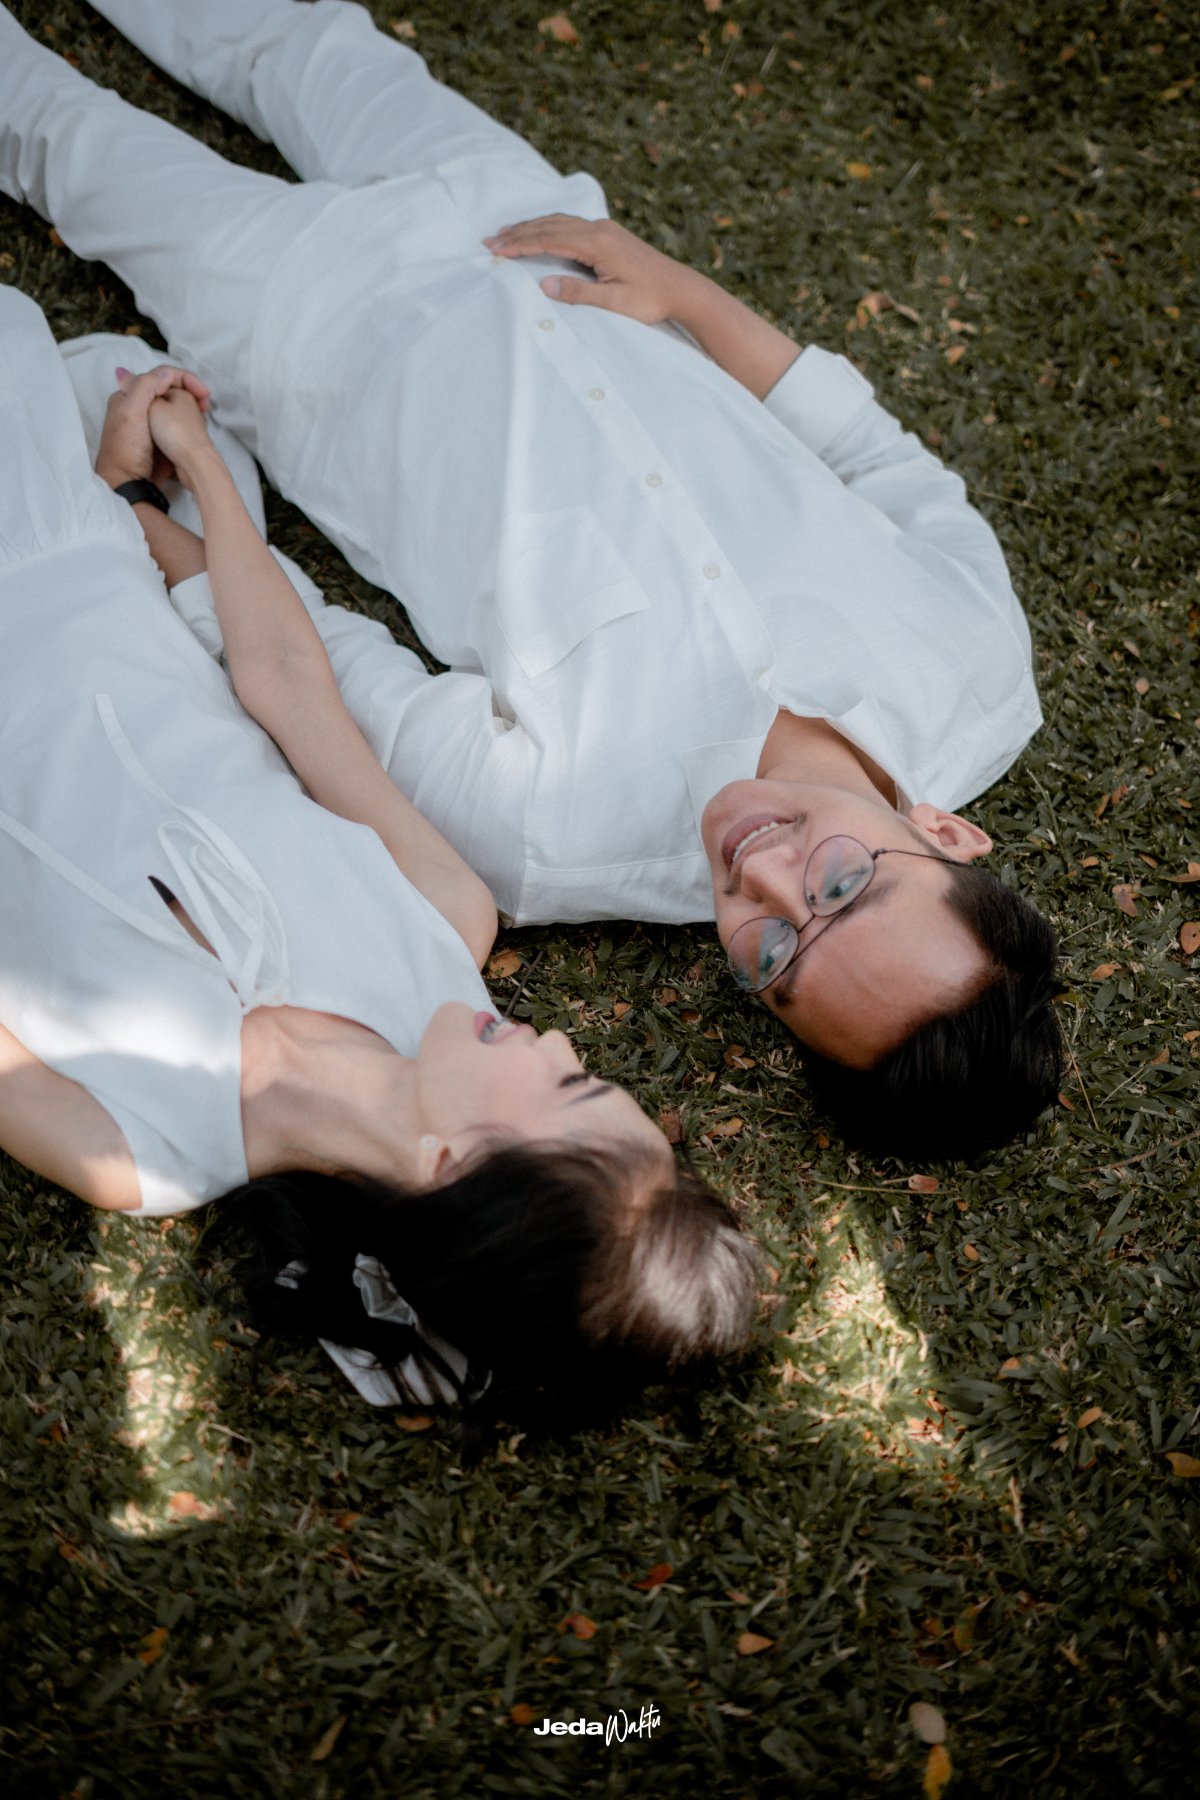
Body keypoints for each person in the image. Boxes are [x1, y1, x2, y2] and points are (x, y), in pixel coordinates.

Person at [0, 0, 1062, 1157]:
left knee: (59, 132)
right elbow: (865, 450)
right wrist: (682, 292)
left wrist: (140, 510)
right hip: (530, 229)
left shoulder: (553, 842)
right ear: (949, 837)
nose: (761, 874)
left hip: (311, 332)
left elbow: (318, 658)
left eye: (771, 953)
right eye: (846, 884)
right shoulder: (976, 664)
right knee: (299, 41)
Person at [0, 285, 756, 1418]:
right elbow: (289, 689)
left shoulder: (136, 1147)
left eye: (571, 1082)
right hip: (57, 533)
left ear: (453, 1166)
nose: (557, 1036)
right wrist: (184, 471)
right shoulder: (445, 920)